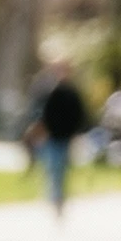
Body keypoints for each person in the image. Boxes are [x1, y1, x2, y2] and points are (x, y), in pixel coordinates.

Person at [29, 62, 90, 215]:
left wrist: (75, 134)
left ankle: (57, 197)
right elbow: (41, 115)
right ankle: (53, 197)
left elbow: (79, 116)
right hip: (50, 137)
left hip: (64, 137)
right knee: (51, 167)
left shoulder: (72, 94)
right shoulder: (48, 92)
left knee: (58, 168)